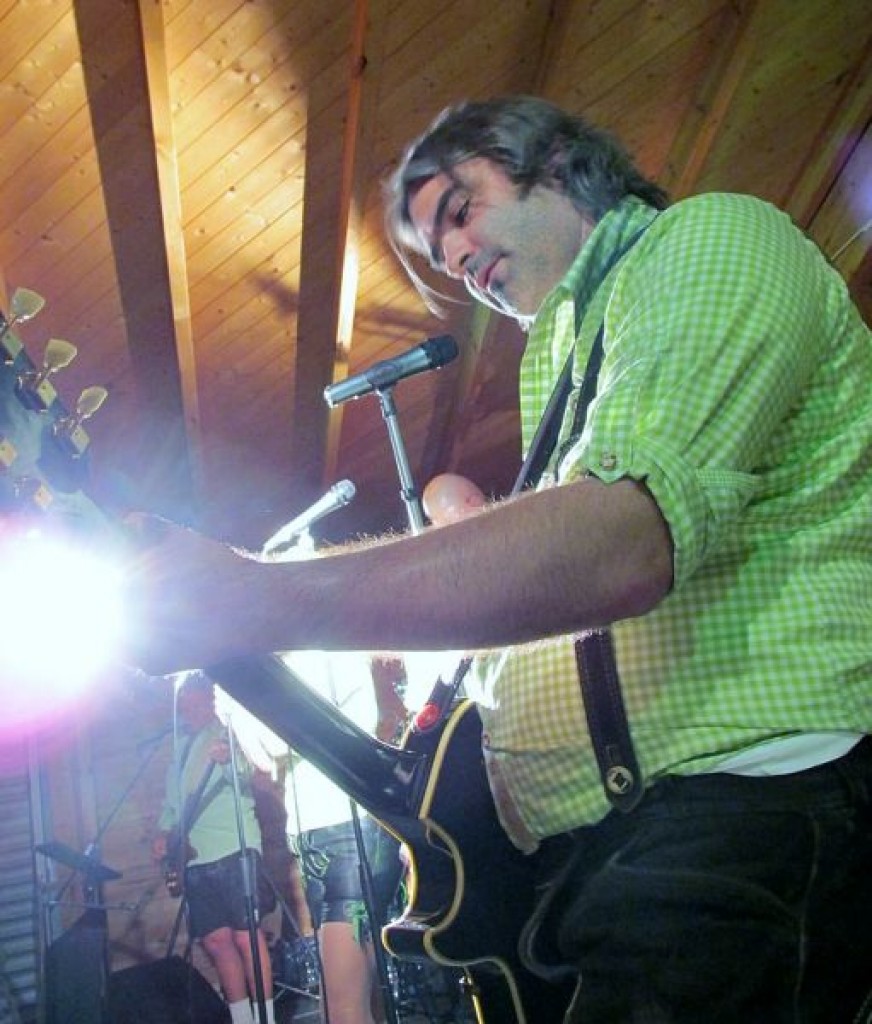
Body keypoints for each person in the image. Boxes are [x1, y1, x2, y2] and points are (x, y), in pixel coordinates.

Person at [129, 94, 872, 1023]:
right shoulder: (564, 354)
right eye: (441, 256)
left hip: (750, 807)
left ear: (554, 162)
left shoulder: (709, 238)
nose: (457, 261)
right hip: (615, 850)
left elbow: (620, 540)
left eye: (459, 210)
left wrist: (259, 598)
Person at [282, 651, 405, 1024]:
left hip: (347, 833)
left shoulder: (325, 657)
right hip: (312, 837)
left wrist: (238, 702)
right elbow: (261, 755)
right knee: (352, 999)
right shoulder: (282, 664)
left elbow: (275, 744)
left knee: (344, 1008)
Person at [152, 672, 277, 1024]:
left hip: (233, 846)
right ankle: (242, 1019)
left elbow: (246, 772)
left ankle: (266, 1018)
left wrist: (228, 760)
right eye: (184, 704)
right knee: (216, 941)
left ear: (209, 700)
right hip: (194, 857)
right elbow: (172, 805)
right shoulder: (180, 749)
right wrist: (162, 833)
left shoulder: (227, 730)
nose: (188, 709)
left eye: (195, 701)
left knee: (246, 936)